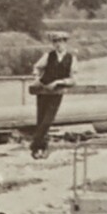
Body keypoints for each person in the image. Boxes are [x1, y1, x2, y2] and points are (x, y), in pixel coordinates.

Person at [28, 30, 75, 159]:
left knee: (48, 121)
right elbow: (37, 67)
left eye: (60, 41)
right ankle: (39, 150)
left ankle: (34, 145)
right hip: (43, 90)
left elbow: (73, 79)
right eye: (55, 42)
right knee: (41, 119)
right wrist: (37, 78)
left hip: (56, 92)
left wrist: (59, 82)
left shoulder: (71, 58)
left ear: (65, 43)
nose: (58, 44)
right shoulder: (48, 56)